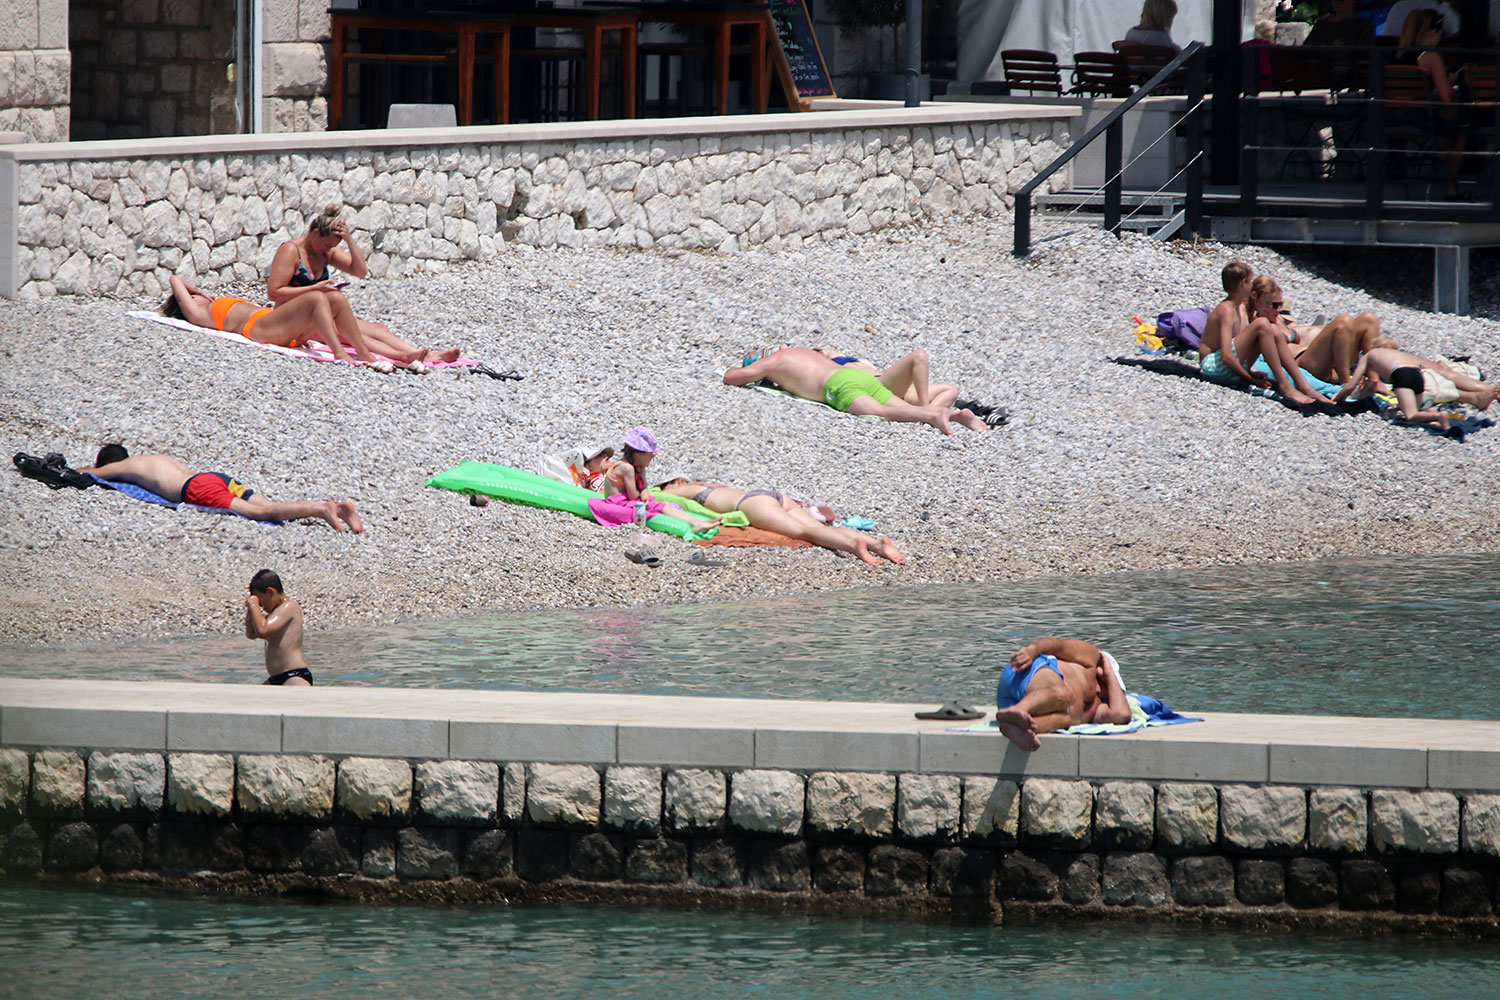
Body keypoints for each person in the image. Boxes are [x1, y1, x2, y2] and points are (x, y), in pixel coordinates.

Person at [267, 204, 460, 369]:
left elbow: (360, 271)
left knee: (378, 329)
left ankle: (427, 355)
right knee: (353, 334)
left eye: (333, 246)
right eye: (327, 245)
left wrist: (349, 241)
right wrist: (315, 289)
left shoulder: (325, 253)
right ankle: (402, 356)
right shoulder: (291, 251)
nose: (329, 249)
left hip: (322, 312)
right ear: (315, 233)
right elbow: (274, 293)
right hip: (293, 316)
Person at [77, 445, 364, 532]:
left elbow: (94, 473)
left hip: (196, 489)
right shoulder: (155, 458)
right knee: (267, 504)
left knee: (263, 514)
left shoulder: (123, 466)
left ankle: (321, 509)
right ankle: (340, 508)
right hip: (213, 477)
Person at [724, 348, 988, 434]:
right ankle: (956, 415)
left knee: (882, 413)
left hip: (838, 386)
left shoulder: (774, 362)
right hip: (859, 377)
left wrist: (752, 370)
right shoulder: (803, 352)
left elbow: (731, 377)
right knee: (903, 408)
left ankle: (936, 416)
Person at [656, 476, 905, 566]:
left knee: (805, 531)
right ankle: (875, 544)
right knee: (815, 526)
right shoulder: (710, 483)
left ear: (676, 481)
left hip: (751, 504)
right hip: (772, 496)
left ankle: (853, 547)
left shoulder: (684, 488)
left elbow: (652, 496)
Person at [162, 275, 392, 371]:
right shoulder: (196, 313)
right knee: (316, 298)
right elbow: (175, 279)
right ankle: (339, 352)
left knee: (335, 297)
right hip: (260, 328)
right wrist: (198, 292)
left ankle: (363, 352)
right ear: (186, 301)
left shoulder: (207, 307)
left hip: (273, 322)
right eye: (191, 295)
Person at [1199, 272, 1330, 404]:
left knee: (1273, 329)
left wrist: (1251, 372)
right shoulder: (1237, 310)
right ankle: (1285, 386)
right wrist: (1249, 378)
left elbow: (1239, 351)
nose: (1269, 307)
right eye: (1268, 303)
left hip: (1230, 367)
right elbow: (1227, 356)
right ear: (1254, 296)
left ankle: (1304, 386)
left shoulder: (1250, 313)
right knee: (1262, 324)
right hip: (1213, 367)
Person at [994, 637, 1130, 752]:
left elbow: (1121, 714)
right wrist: (1034, 649)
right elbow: (1058, 645)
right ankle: (1018, 710)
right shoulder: (1092, 659)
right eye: (1103, 684)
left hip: (1025, 703)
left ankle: (1017, 727)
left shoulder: (1097, 707)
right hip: (1026, 671)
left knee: (1065, 720)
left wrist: (1110, 676)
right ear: (1101, 669)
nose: (1101, 691)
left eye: (1108, 691)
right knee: (1064, 694)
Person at [1393, 9, 1465, 197]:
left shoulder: (1396, 55)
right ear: (1433, 32)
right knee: (1459, 126)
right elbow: (1446, 97)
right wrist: (1450, 82)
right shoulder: (1430, 57)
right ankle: (1452, 185)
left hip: (1391, 116)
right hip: (1418, 117)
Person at [1331, 346, 1500, 425]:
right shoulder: (1397, 354)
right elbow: (1443, 371)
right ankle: (1485, 392)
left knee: (1411, 415)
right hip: (1418, 376)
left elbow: (1350, 385)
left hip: (1402, 376)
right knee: (1418, 410)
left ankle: (1439, 417)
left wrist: (1336, 398)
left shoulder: (1368, 356)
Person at [244, 569, 314, 686]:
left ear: (270, 592)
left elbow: (262, 630)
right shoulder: (274, 613)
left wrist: (253, 604)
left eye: (260, 601)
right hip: (276, 677)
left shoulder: (290, 607)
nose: (260, 606)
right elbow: (251, 633)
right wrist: (251, 609)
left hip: (294, 675)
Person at [1304, 0, 1376, 47]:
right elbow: (1307, 51)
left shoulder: (1364, 26)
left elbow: (1364, 56)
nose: (1336, 1)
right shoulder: (1322, 24)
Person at [1380, 0, 1459, 37]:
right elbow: (1457, 38)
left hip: (1385, 60)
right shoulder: (1441, 8)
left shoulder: (1398, 6)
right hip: (1421, 61)